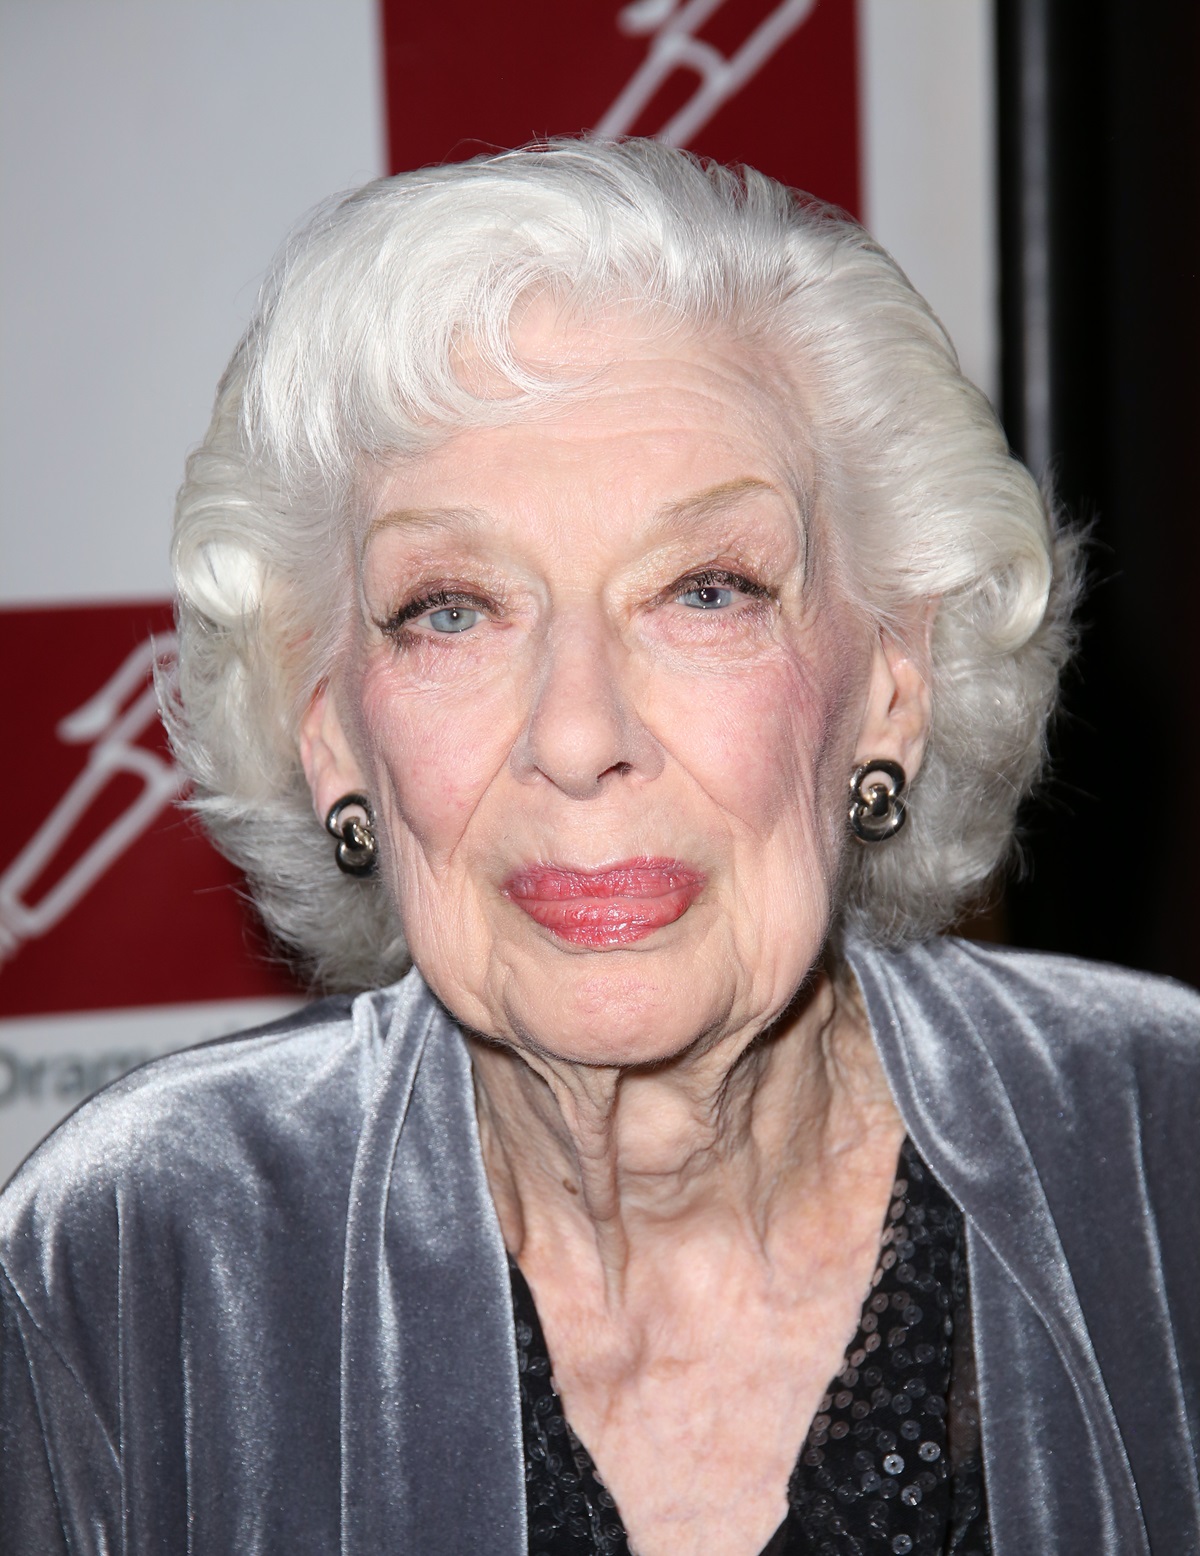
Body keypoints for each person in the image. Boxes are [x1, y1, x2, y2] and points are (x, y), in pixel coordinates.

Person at [1, 139, 1197, 1556]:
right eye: (451, 608)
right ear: (329, 735)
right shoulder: (132, 1260)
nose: (578, 733)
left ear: (892, 685)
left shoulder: (1160, 1145)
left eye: (706, 590)